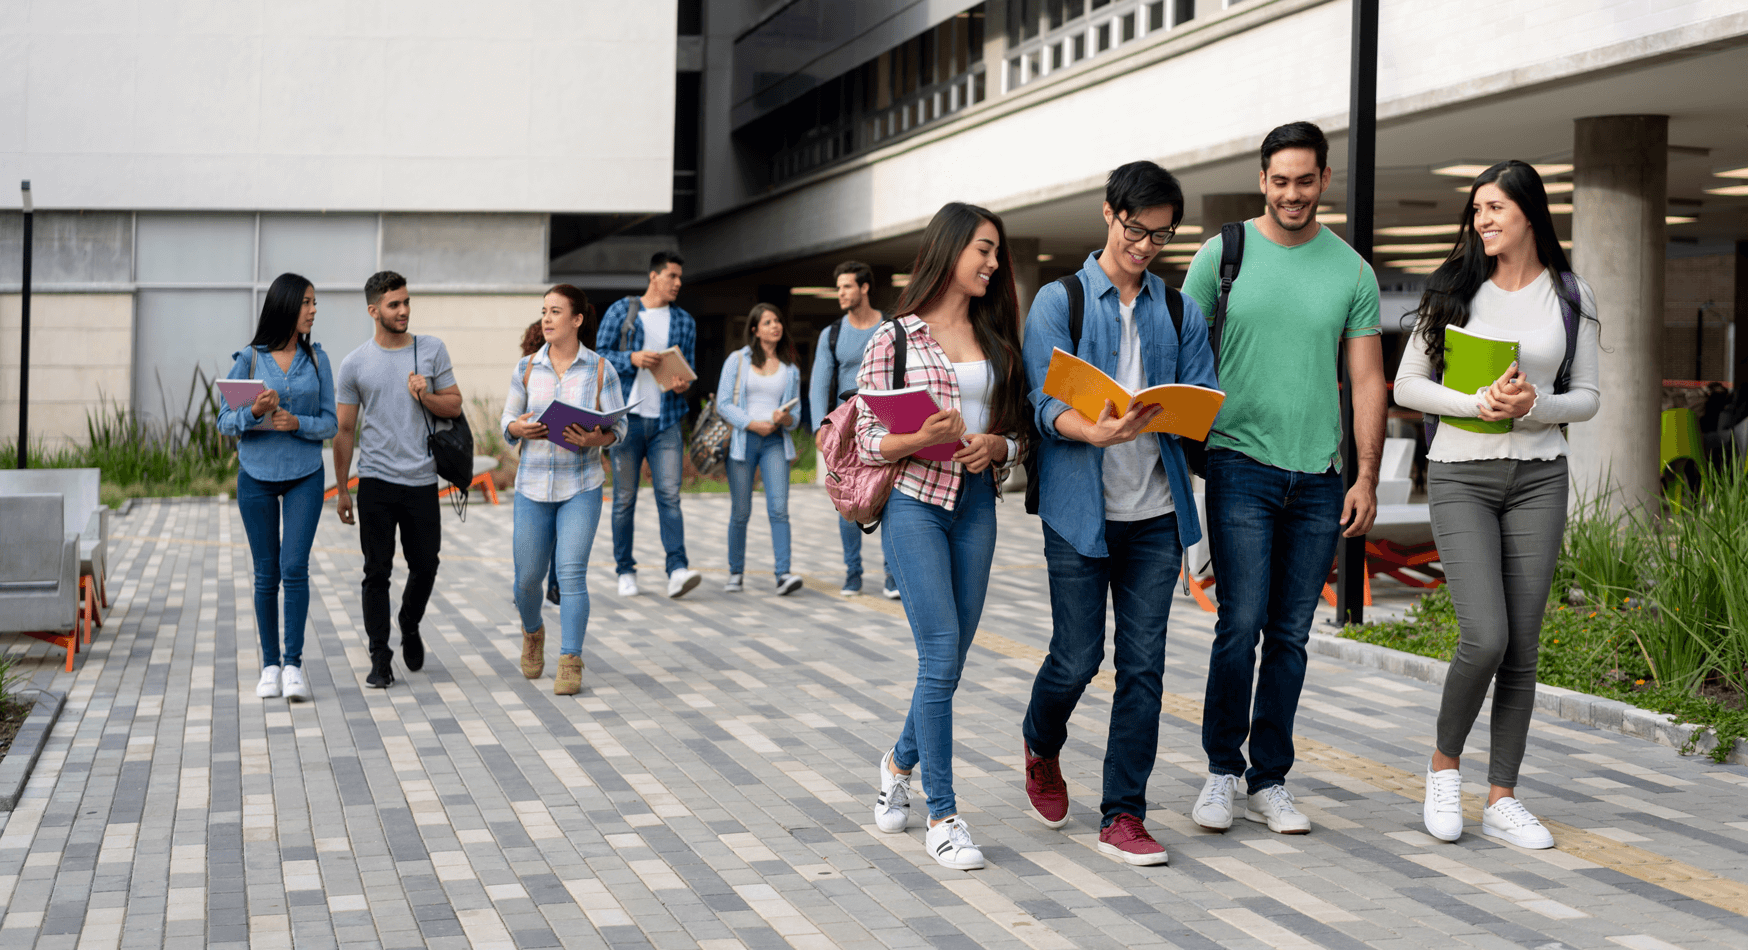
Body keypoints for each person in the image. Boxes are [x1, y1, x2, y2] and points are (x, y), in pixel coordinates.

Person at [1181, 121, 1386, 835]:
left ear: (1324, 180)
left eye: (1305, 180)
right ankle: (1219, 770)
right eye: (1280, 180)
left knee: (1291, 634)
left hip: (1319, 478)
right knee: (1239, 623)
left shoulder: (1352, 272)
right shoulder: (1222, 255)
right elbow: (1177, 347)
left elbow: (1366, 381)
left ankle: (1269, 778)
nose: (1292, 193)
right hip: (1239, 463)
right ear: (1262, 180)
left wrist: (1366, 477)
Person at [1394, 161, 1600, 849]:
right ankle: (1444, 767)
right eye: (1477, 208)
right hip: (1461, 475)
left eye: (1496, 208)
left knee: (1524, 646)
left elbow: (1590, 397)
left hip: (1540, 476)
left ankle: (1503, 795)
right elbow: (1409, 387)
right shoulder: (1453, 289)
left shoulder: (1571, 295)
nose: (1482, 219)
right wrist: (1476, 404)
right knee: (1486, 634)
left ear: (1531, 214)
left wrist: (1535, 406)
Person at [1019, 162, 1218, 865]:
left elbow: (1204, 397)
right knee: (1076, 658)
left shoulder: (1177, 309)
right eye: (1136, 229)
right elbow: (1041, 406)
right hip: (1080, 511)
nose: (1145, 246)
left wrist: (1186, 412)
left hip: (1157, 516)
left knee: (1144, 669)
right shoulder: (1059, 301)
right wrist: (1090, 429)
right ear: (1109, 214)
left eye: (1160, 237)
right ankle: (1041, 743)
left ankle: (1123, 813)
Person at [862, 202, 1029, 871]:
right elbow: (870, 440)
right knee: (938, 652)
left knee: (952, 660)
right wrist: (919, 437)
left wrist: (1001, 446)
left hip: (977, 507)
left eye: (997, 253)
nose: (992, 263)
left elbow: (1024, 433)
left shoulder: (997, 337)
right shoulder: (894, 339)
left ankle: (898, 762)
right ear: (951, 249)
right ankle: (944, 817)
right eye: (983, 250)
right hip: (915, 506)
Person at [333, 271, 464, 689]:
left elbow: (455, 405)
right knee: (376, 572)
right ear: (374, 311)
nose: (404, 310)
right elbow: (345, 431)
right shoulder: (354, 363)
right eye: (394, 304)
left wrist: (425, 394)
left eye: (406, 302)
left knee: (426, 564)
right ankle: (379, 656)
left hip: (422, 480)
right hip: (375, 480)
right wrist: (341, 489)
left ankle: (409, 620)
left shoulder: (431, 350)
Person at [219, 273, 338, 703]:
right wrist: (252, 411)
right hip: (256, 476)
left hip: (305, 473)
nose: (312, 310)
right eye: (306, 302)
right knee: (266, 574)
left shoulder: (319, 360)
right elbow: (223, 422)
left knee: (294, 569)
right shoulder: (249, 359)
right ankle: (269, 665)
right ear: (286, 306)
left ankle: (293, 666)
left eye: (314, 303)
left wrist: (297, 423)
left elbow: (332, 423)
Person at [502, 285, 624, 695]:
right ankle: (532, 630)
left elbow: (618, 428)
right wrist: (519, 428)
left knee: (572, 573)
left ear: (577, 320)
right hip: (532, 485)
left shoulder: (602, 369)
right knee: (526, 579)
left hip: (581, 486)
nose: (547, 319)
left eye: (556, 312)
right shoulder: (525, 368)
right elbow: (507, 422)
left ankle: (571, 658)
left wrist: (597, 440)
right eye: (543, 312)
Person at [596, 251, 702, 599]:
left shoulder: (685, 321)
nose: (677, 283)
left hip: (667, 420)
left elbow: (685, 368)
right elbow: (599, 357)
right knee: (625, 499)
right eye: (672, 276)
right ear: (654, 276)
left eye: (679, 278)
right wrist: (632, 358)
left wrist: (682, 382)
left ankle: (678, 569)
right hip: (626, 420)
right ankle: (625, 570)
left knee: (669, 497)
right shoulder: (622, 311)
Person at [809, 262, 899, 599]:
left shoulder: (890, 327)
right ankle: (853, 574)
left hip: (885, 424)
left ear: (864, 288)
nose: (841, 294)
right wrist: (821, 426)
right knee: (847, 499)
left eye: (847, 286)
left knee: (889, 497)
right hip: (845, 430)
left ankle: (892, 576)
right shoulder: (831, 334)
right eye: (839, 288)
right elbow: (818, 383)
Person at [717, 304, 804, 595]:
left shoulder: (789, 368)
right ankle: (735, 573)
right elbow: (723, 403)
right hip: (745, 440)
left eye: (778, 321)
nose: (775, 326)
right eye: (767, 322)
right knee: (741, 510)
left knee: (779, 509)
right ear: (754, 330)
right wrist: (752, 423)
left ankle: (784, 574)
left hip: (775, 441)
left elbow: (797, 415)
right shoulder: (737, 360)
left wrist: (785, 418)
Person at [521, 319, 561, 607]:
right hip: (534, 473)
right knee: (543, 539)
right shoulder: (526, 371)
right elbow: (511, 420)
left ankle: (541, 585)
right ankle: (545, 587)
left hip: (570, 472)